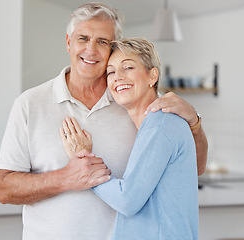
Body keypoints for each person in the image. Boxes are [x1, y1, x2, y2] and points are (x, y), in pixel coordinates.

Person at [0, 3, 207, 240]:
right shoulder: (30, 104)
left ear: (112, 48)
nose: (91, 49)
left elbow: (194, 167)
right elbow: (3, 189)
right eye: (83, 38)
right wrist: (66, 178)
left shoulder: (135, 102)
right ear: (68, 42)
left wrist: (194, 122)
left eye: (102, 42)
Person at [61, 37, 199, 239]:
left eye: (128, 68)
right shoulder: (157, 124)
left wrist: (85, 162)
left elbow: (127, 200)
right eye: (111, 71)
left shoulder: (159, 125)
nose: (118, 77)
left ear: (152, 76)